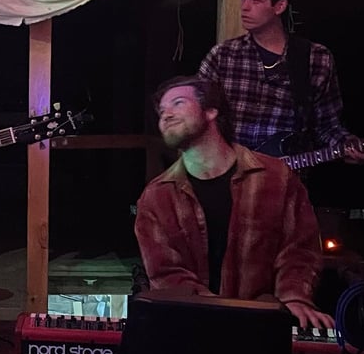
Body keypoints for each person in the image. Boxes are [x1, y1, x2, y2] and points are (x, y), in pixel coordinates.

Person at [134, 75, 333, 330]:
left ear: (211, 111)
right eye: (162, 111)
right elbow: (166, 273)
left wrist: (294, 297)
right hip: (193, 328)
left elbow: (300, 250)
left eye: (178, 103)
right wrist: (223, 314)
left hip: (264, 326)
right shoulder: (156, 197)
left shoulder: (276, 178)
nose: (166, 115)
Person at [197, 0, 364, 162]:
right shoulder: (222, 55)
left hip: (286, 175)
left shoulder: (315, 57)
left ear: (279, 6)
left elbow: (326, 124)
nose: (245, 7)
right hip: (228, 170)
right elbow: (198, 113)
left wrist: (346, 144)